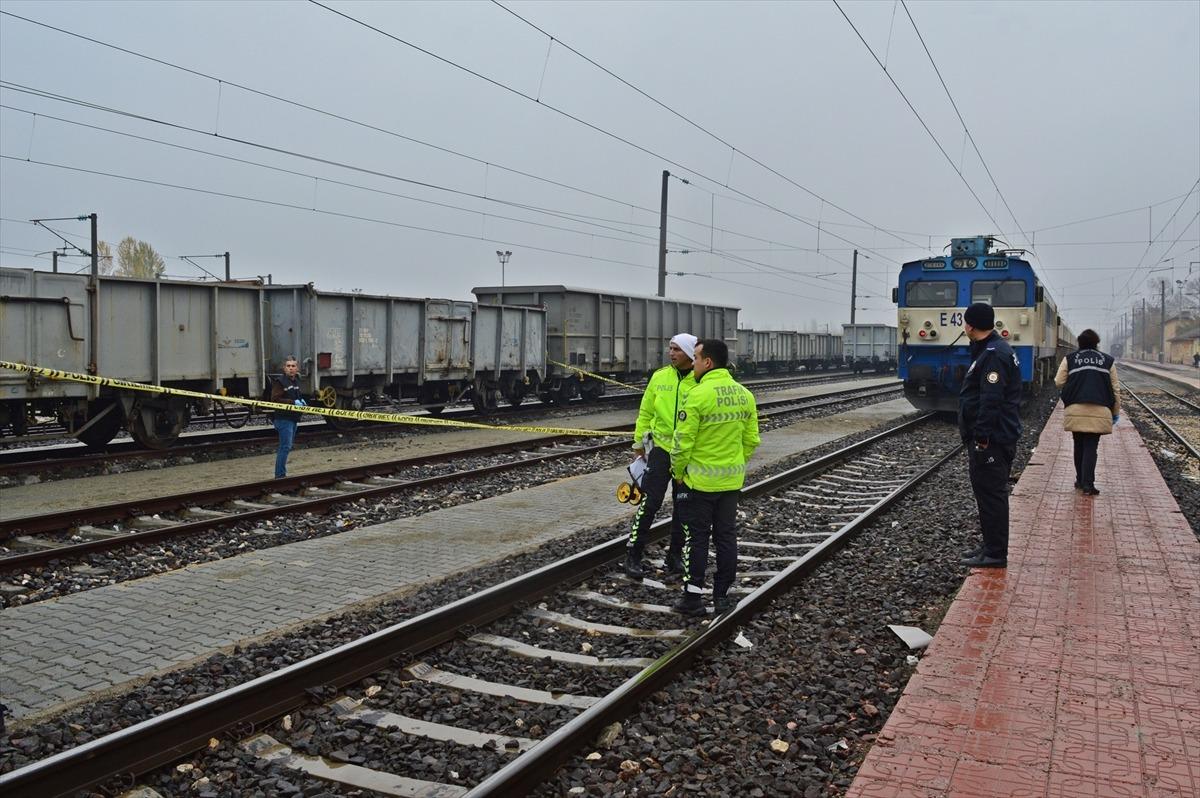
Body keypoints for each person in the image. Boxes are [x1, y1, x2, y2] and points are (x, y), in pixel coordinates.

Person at [669, 338, 760, 616]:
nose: (693, 362)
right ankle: (721, 596)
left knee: (696, 539)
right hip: (730, 483)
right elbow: (752, 440)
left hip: (698, 483)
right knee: (726, 537)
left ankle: (693, 598)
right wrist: (735, 464)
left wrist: (679, 472)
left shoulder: (696, 395)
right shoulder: (745, 395)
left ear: (707, 362)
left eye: (696, 358)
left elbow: (682, 443)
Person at [624, 334, 699, 579]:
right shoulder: (660, 376)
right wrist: (638, 443)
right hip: (661, 451)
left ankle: (675, 556)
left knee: (684, 506)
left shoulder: (700, 380)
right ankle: (633, 554)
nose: (671, 353)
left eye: (677, 349)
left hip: (687, 455)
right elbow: (645, 412)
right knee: (649, 502)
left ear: (690, 353)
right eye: (670, 348)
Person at [958, 303, 1022, 569]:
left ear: (971, 326)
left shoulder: (994, 354)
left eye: (965, 323)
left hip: (993, 439)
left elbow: (991, 400)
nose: (964, 327)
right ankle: (990, 546)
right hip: (995, 437)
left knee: (992, 495)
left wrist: (982, 438)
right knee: (987, 495)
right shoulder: (991, 350)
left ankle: (996, 553)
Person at [1054, 329, 1120, 496]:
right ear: (1097, 343)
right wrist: (1115, 412)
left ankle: (1079, 480)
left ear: (1079, 343)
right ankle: (1088, 485)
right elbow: (1116, 390)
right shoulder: (1108, 360)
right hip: (1100, 408)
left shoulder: (1070, 359)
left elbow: (1058, 381)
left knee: (1078, 444)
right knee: (1091, 447)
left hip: (1075, 408)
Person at [270, 356, 305, 478]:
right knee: (285, 447)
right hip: (283, 419)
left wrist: (300, 400)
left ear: (297, 368)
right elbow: (275, 400)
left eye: (293, 366)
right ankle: (280, 476)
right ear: (284, 368)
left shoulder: (295, 382)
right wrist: (293, 403)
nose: (291, 368)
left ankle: (281, 474)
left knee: (287, 446)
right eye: (288, 366)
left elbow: (295, 396)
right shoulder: (280, 382)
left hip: (292, 418)